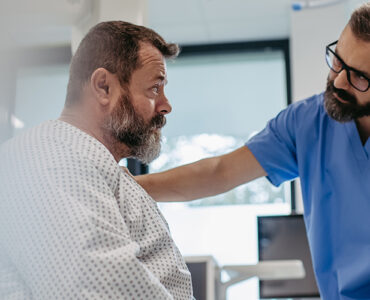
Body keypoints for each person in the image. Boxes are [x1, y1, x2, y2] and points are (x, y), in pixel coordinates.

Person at [137, 3, 370, 300]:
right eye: (337, 60)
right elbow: (219, 172)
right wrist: (128, 185)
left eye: (358, 76)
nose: (338, 80)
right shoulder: (308, 122)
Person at [0, 21, 194, 299]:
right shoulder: (50, 161)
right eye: (154, 88)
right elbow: (100, 291)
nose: (166, 105)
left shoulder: (91, 167)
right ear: (103, 87)